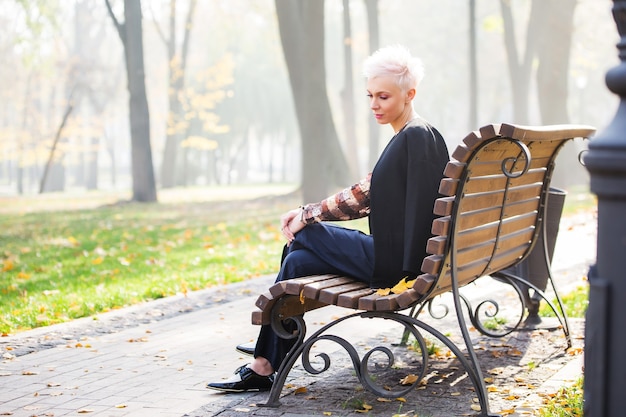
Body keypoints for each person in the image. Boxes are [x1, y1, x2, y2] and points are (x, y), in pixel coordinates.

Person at [206, 44, 450, 393]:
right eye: (370, 96)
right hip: (418, 261)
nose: (374, 105)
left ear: (410, 94)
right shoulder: (424, 134)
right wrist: (308, 216)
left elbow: (364, 196)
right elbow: (370, 196)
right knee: (298, 261)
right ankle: (266, 357)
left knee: (304, 234)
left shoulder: (410, 137)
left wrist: (306, 215)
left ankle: (274, 340)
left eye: (383, 96)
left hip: (399, 268)